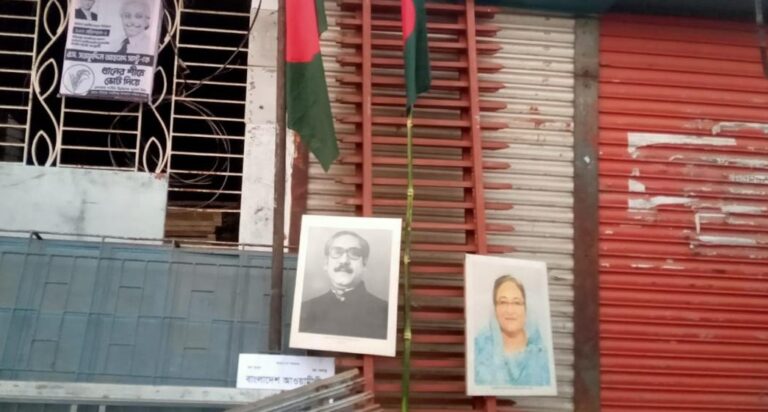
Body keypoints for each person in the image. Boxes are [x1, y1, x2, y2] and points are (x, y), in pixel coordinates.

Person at [299, 230, 388, 339]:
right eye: (337, 252)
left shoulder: (385, 311)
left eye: (354, 253)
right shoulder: (305, 309)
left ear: (364, 263)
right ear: (326, 263)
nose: (344, 260)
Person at [474, 275, 550, 386]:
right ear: (495, 308)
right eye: (503, 302)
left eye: (517, 303)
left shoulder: (542, 355)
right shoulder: (479, 352)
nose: (510, 310)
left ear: (525, 308)